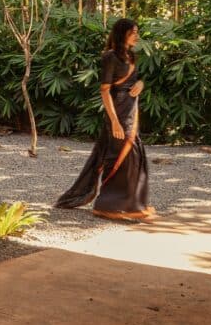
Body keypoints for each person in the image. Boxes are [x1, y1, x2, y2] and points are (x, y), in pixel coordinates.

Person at [55, 18, 155, 220]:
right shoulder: (110, 57)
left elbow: (135, 81)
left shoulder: (132, 56)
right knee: (117, 157)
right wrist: (115, 121)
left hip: (131, 110)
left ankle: (130, 203)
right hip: (117, 111)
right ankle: (107, 206)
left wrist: (141, 84)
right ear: (122, 34)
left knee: (134, 158)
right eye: (133, 32)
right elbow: (105, 91)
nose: (137, 36)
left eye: (137, 32)